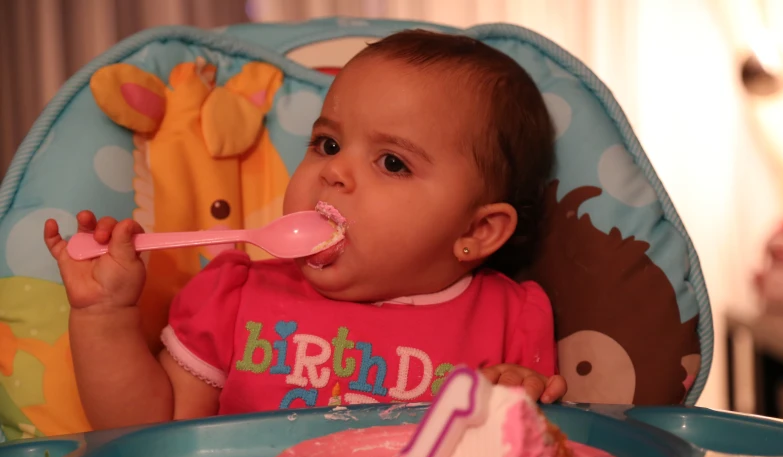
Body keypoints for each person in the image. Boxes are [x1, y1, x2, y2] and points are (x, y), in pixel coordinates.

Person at [44, 30, 566, 430]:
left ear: (478, 229)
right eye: (328, 144)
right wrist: (104, 317)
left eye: (391, 162)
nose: (333, 171)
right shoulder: (236, 295)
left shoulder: (509, 322)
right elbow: (147, 442)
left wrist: (518, 403)